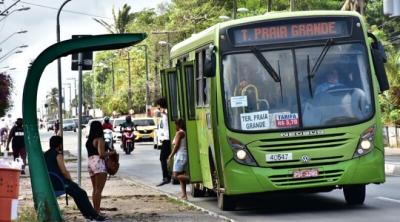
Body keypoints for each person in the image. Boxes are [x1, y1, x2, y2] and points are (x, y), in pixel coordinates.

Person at [44, 136, 107, 221]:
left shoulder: (45, 154)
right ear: (59, 145)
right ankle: (92, 215)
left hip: (50, 182)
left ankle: (89, 215)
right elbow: (64, 172)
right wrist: (71, 181)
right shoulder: (58, 155)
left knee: (78, 193)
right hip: (60, 182)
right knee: (81, 193)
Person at [86, 121, 115, 214]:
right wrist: (112, 153)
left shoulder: (89, 141)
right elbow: (101, 154)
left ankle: (95, 210)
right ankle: (97, 211)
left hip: (90, 163)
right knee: (99, 189)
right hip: (99, 163)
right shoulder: (100, 139)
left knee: (95, 189)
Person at [167, 119, 189, 200]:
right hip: (181, 156)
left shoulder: (179, 133)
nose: (175, 126)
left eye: (176, 125)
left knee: (175, 175)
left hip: (180, 156)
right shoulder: (183, 132)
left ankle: (190, 179)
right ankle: (184, 195)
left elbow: (176, 146)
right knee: (181, 176)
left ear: (178, 125)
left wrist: (170, 156)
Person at [155, 98, 171, 186]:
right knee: (166, 158)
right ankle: (168, 175)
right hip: (166, 138)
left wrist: (165, 112)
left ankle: (166, 177)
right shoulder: (164, 114)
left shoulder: (167, 112)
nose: (159, 110)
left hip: (168, 138)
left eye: (159, 108)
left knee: (162, 157)